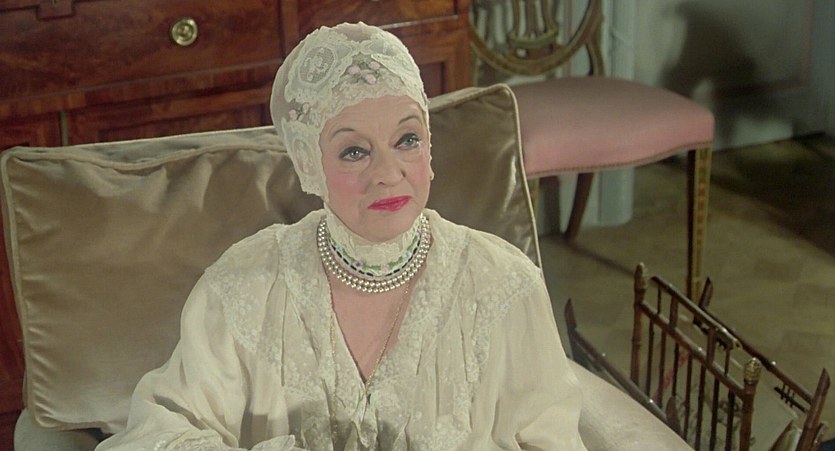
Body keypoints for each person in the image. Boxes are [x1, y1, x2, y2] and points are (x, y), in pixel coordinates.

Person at [97, 22, 586, 450]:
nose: (388, 173)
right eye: (355, 151)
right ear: (311, 164)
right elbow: (160, 434)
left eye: (407, 140)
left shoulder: (504, 286)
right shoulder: (245, 286)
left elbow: (552, 440)